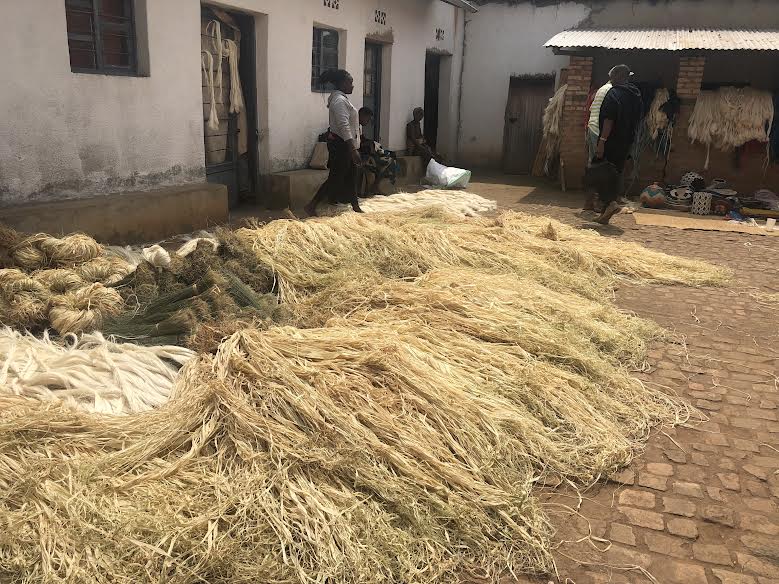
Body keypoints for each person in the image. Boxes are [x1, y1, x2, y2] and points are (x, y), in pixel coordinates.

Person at [305, 69, 363, 216]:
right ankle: (312, 205)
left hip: (345, 145)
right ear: (343, 83)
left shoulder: (342, 99)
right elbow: (344, 126)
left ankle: (355, 206)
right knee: (335, 178)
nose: (352, 85)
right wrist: (352, 149)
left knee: (351, 176)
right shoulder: (339, 101)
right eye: (350, 82)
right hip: (342, 145)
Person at [593, 64, 643, 224]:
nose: (610, 80)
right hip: (626, 141)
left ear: (618, 76)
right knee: (616, 174)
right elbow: (639, 117)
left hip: (611, 141)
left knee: (598, 172)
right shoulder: (636, 94)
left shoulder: (613, 94)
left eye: (612, 77)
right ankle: (606, 211)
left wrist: (602, 142)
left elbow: (609, 120)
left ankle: (610, 204)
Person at [584, 78, 612, 212]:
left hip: (592, 128)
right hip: (598, 131)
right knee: (600, 169)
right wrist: (603, 140)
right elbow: (609, 118)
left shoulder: (601, 90)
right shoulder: (610, 91)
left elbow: (591, 111)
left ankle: (589, 202)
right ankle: (597, 203)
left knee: (593, 166)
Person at [358, 107, 399, 194]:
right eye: (367, 119)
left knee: (390, 157)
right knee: (388, 162)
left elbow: (362, 139)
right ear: (362, 116)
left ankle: (376, 186)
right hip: (359, 156)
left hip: (365, 154)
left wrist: (372, 143)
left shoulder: (358, 127)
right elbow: (357, 144)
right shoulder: (353, 126)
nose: (368, 121)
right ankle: (374, 187)